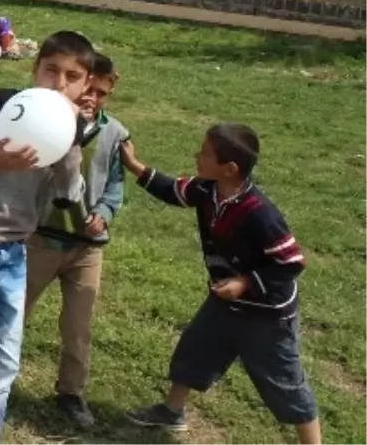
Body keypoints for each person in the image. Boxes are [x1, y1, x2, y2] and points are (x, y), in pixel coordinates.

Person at [122, 125, 321, 443]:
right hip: (225, 302)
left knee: (284, 383)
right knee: (194, 350)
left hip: (266, 315)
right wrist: (136, 167)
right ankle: (173, 412)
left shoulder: (260, 214)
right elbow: (176, 190)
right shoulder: (207, 189)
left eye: (204, 152)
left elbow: (292, 262)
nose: (196, 156)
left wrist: (245, 282)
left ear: (230, 168)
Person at [0, 30, 93, 421]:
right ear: (35, 69)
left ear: (85, 85)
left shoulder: (68, 129)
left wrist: (71, 143)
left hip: (15, 253)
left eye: (72, 76)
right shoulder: (2, 104)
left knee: (7, 363)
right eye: (51, 70)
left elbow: (68, 195)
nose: (59, 83)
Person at [23, 53, 129, 429]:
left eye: (103, 93)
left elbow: (115, 184)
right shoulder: (48, 122)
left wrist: (106, 211)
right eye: (89, 89)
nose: (93, 99)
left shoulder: (115, 132)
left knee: (78, 326)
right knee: (15, 312)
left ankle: (71, 391)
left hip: (86, 246)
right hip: (41, 238)